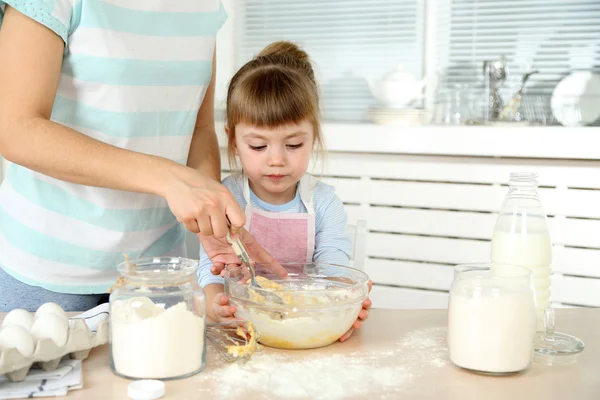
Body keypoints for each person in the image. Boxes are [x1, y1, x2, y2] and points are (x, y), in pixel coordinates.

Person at [0, 1, 248, 312]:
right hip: (45, 275)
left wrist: (212, 222)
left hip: (159, 274)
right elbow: (15, 129)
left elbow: (197, 130)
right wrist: (167, 179)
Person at [197, 41, 372, 341]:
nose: (276, 160)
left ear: (314, 137)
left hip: (307, 328)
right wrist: (215, 306)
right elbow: (209, 270)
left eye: (293, 145)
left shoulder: (323, 202)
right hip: (244, 330)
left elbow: (335, 269)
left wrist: (345, 305)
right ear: (234, 140)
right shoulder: (228, 199)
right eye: (258, 146)